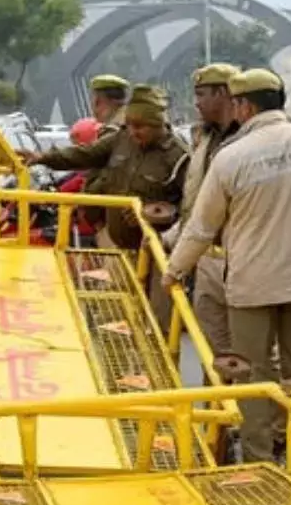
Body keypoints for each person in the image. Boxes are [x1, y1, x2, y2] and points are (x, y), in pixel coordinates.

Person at [163, 68, 291, 465]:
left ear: (243, 105)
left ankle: (260, 461)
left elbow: (202, 227)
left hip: (250, 283)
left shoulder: (231, 157)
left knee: (251, 376)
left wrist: (174, 269)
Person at [25, 86, 188, 329]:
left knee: (155, 324)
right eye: (130, 125)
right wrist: (42, 158)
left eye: (140, 127)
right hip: (120, 249)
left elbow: (189, 207)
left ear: (158, 126)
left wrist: (160, 215)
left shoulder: (178, 156)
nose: (133, 133)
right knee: (117, 316)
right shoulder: (121, 139)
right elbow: (85, 154)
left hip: (156, 254)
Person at [162, 63, 242, 355]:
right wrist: (174, 239)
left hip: (244, 259)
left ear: (224, 93)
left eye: (201, 94)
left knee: (252, 353)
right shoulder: (203, 139)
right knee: (214, 351)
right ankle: (217, 402)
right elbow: (195, 203)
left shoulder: (249, 139)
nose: (195, 102)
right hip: (207, 258)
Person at [80, 75, 132, 233]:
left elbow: (105, 172)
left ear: (97, 101)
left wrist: (88, 203)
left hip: (114, 219)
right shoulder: (129, 121)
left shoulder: (116, 128)